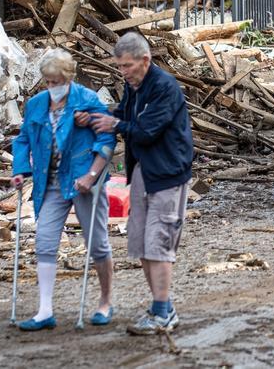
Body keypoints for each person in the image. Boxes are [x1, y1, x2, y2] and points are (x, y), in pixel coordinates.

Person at [84, 32, 194, 335]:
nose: (123, 71)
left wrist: (115, 124)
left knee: (158, 241)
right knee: (142, 242)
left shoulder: (164, 87)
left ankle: (163, 312)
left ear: (145, 60)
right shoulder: (134, 85)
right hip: (144, 171)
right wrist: (97, 116)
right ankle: (161, 307)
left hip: (168, 172)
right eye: (119, 66)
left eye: (127, 66)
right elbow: (123, 113)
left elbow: (146, 131)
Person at [12, 49, 116, 331]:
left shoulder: (88, 100)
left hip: (83, 182)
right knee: (44, 240)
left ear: (69, 77)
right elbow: (22, 140)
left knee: (97, 244)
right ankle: (45, 310)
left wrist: (92, 175)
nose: (51, 87)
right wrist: (20, 169)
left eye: (56, 81)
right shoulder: (36, 105)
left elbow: (107, 139)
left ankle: (105, 301)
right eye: (47, 81)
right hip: (51, 182)